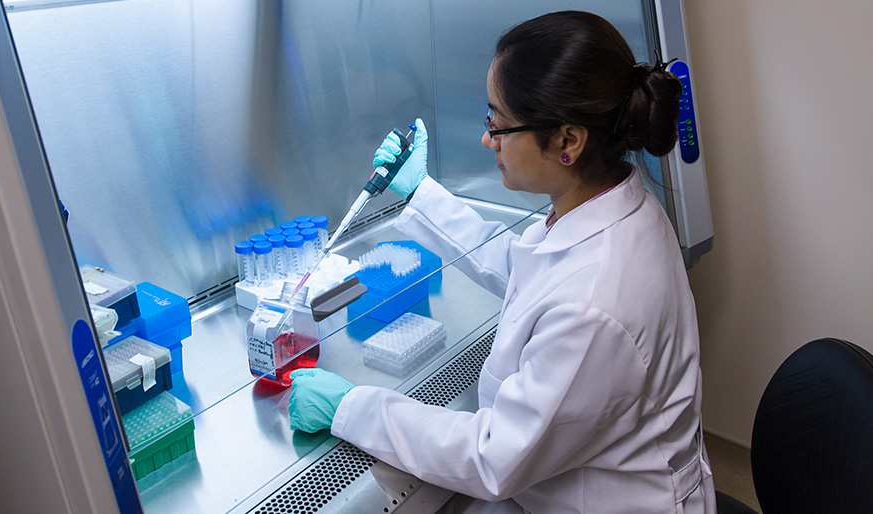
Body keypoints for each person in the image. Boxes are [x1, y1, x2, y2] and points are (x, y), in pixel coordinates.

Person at [288, 10, 714, 514]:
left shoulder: (595, 305)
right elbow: (529, 271)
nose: (488, 138)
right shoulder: (616, 205)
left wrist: (351, 407)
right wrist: (420, 195)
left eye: (499, 122)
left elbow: (494, 457)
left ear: (566, 142)